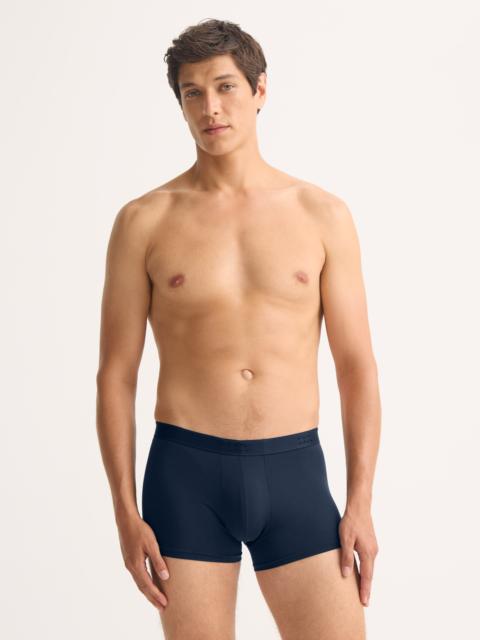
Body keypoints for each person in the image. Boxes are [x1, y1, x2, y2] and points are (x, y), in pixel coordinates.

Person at [96, 18, 381, 640]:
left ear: (260, 90)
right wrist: (124, 512)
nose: (211, 108)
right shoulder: (144, 221)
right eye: (192, 93)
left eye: (225, 87)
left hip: (295, 471)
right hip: (185, 476)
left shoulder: (322, 214)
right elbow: (116, 375)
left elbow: (356, 366)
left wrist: (360, 500)